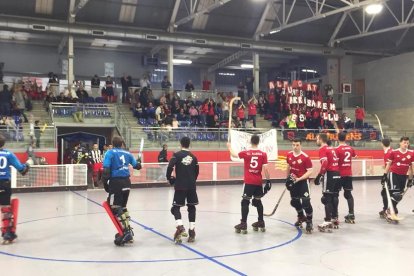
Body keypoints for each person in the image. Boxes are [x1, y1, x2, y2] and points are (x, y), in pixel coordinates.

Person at [227, 135, 271, 234]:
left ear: (250, 142)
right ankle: (261, 221)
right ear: (259, 142)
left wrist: (229, 147)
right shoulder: (263, 154)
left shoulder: (246, 153)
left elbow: (234, 154)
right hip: (258, 182)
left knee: (245, 202)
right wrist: (268, 181)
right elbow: (266, 169)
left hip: (249, 182)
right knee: (258, 202)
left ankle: (243, 223)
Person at [102, 136, 141, 244]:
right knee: (123, 207)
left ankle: (126, 232)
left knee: (115, 207)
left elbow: (106, 170)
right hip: (127, 182)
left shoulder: (110, 153)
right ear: (122, 144)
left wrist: (105, 183)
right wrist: (138, 163)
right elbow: (137, 166)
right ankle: (128, 230)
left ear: (113, 144)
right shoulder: (128, 154)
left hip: (116, 183)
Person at [166, 137, 199, 243]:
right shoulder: (194, 157)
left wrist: (169, 178)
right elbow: (196, 172)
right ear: (189, 144)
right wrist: (192, 180)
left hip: (180, 185)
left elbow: (170, 166)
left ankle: (180, 226)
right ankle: (192, 232)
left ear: (180, 144)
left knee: (175, 208)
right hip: (192, 186)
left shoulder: (176, 155)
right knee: (191, 207)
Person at [0, 134, 30, 243]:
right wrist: (27, 165)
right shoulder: (8, 154)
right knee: (6, 208)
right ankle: (7, 233)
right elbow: (22, 170)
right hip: (3, 183)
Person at [381, 137, 413, 221]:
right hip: (393, 174)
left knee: (400, 196)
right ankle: (390, 212)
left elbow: (411, 168)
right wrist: (384, 175)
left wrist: (410, 179)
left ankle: (390, 209)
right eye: (404, 143)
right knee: (396, 194)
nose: (406, 144)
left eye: (407, 143)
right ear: (400, 143)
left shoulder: (411, 153)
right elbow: (388, 164)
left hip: (403, 176)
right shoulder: (394, 152)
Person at [286, 139, 314, 233]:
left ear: (300, 145)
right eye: (293, 145)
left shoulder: (305, 157)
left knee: (306, 202)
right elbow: (288, 167)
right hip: (294, 182)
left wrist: (300, 178)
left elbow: (310, 171)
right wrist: (287, 179)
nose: (295, 147)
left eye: (297, 145)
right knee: (294, 201)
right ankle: (301, 217)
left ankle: (309, 221)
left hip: (303, 182)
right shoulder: (289, 155)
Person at [314, 133, 340, 232]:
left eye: (317, 139)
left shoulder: (322, 149)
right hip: (337, 173)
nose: (316, 141)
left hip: (329, 174)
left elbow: (325, 163)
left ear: (321, 139)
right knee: (334, 196)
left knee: (326, 197)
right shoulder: (332, 148)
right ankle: (335, 218)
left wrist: (319, 175)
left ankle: (327, 220)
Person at [336, 132, 357, 223]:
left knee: (335, 194)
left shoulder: (336, 149)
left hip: (339, 174)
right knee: (348, 194)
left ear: (338, 138)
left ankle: (335, 215)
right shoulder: (350, 148)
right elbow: (355, 157)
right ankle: (351, 214)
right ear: (346, 138)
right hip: (348, 174)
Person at [379, 138, 392, 218]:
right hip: (389, 174)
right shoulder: (388, 151)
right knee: (384, 192)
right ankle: (386, 208)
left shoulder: (389, 153)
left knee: (385, 193)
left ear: (382, 144)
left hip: (389, 175)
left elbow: (389, 165)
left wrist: (384, 175)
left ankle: (387, 209)